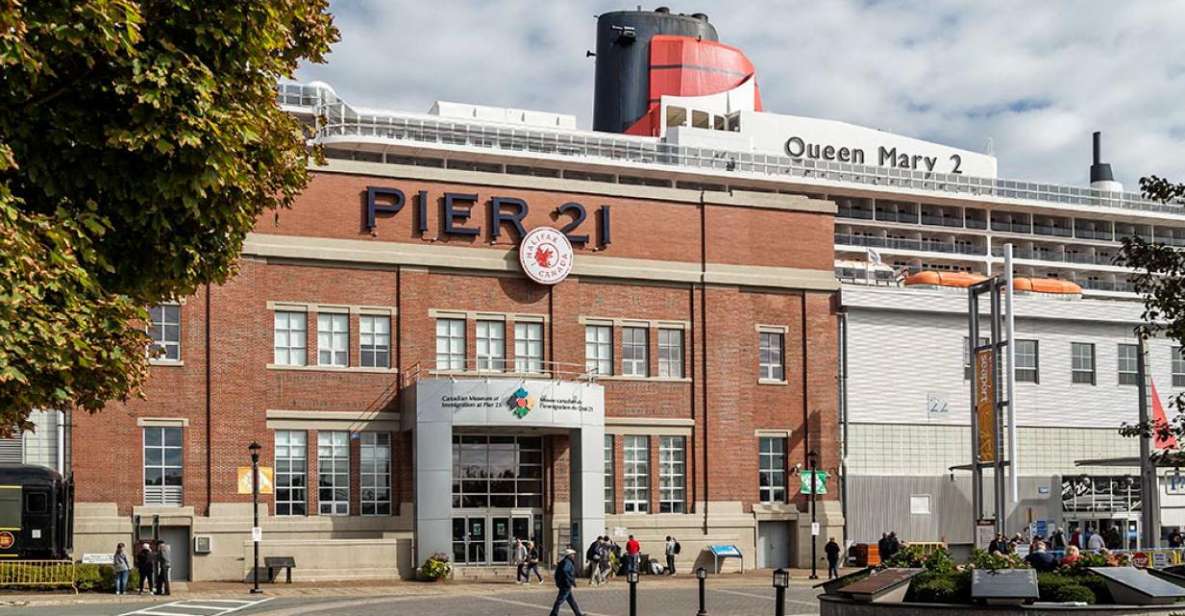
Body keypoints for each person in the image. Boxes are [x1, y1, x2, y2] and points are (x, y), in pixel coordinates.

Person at [549, 548, 584, 616]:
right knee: (560, 600)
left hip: (564, 583)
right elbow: (565, 571)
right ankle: (553, 614)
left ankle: (578, 614)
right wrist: (571, 579)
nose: (574, 556)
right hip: (566, 584)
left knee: (571, 601)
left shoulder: (564, 561)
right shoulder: (567, 562)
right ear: (569, 555)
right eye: (573, 555)